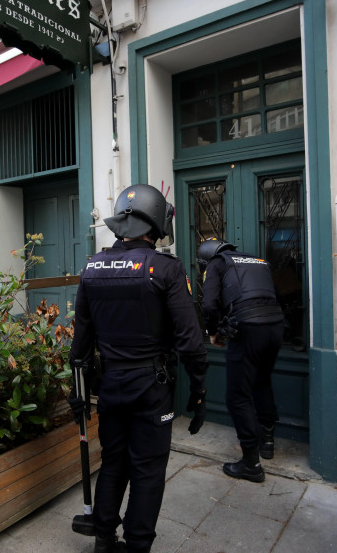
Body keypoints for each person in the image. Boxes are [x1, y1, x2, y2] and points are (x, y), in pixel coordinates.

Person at [68, 184, 209, 553]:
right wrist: (199, 389)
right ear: (156, 223)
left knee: (114, 461)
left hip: (111, 385)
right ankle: (137, 545)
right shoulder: (165, 268)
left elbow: (80, 342)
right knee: (147, 469)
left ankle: (103, 540)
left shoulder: (92, 267)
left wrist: (76, 389)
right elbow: (190, 340)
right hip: (151, 388)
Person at [197, 238, 284, 483]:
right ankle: (267, 442)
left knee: (238, 396)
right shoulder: (256, 259)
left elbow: (209, 304)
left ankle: (251, 463)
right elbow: (276, 294)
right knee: (262, 381)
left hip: (248, 328)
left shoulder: (216, 262)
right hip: (275, 326)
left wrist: (213, 331)